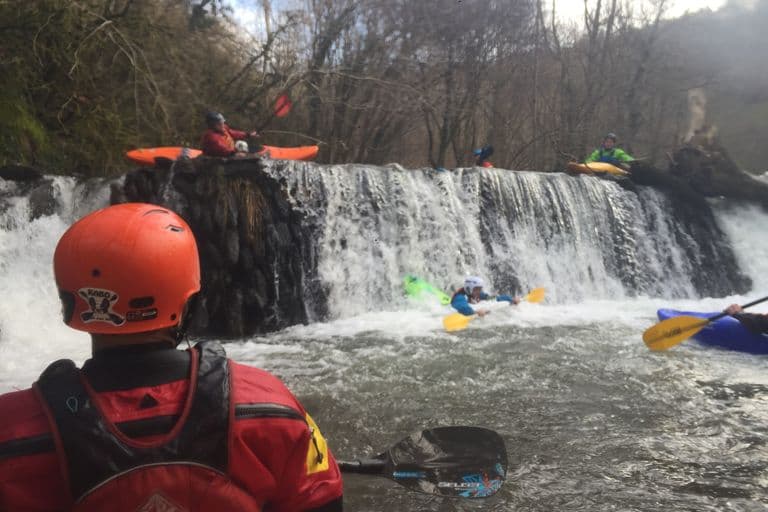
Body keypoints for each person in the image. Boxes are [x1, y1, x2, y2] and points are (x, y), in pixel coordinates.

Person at [0, 203, 343, 511]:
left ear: (70, 302)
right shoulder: (271, 407)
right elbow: (325, 502)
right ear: (187, 301)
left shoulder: (12, 429)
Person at [451, 276, 520, 317]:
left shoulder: (477, 294)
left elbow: (494, 298)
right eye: (476, 289)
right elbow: (463, 308)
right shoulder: (459, 297)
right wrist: (475, 312)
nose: (479, 291)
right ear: (469, 288)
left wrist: (510, 299)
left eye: (480, 289)